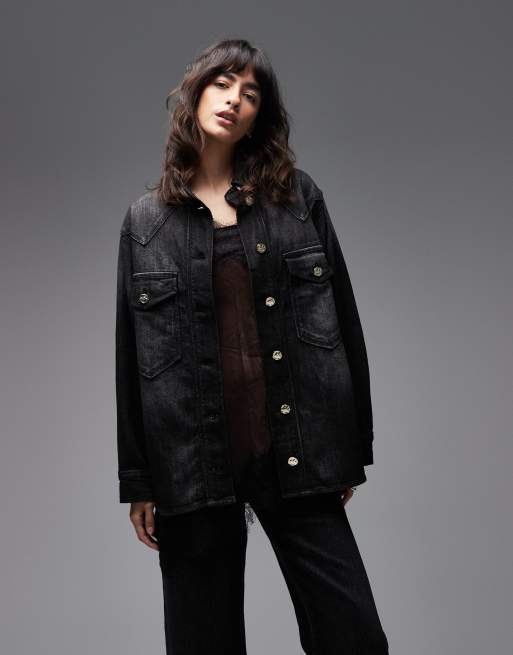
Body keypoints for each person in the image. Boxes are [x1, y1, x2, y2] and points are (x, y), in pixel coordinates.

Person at [115, 38, 389, 654]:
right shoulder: (146, 224)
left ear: (259, 116)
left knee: (354, 637)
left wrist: (348, 447)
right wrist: (139, 480)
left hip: (297, 451)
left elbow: (345, 325)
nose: (234, 99)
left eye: (251, 93)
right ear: (195, 94)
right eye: (222, 84)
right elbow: (131, 361)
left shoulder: (297, 199)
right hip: (191, 463)